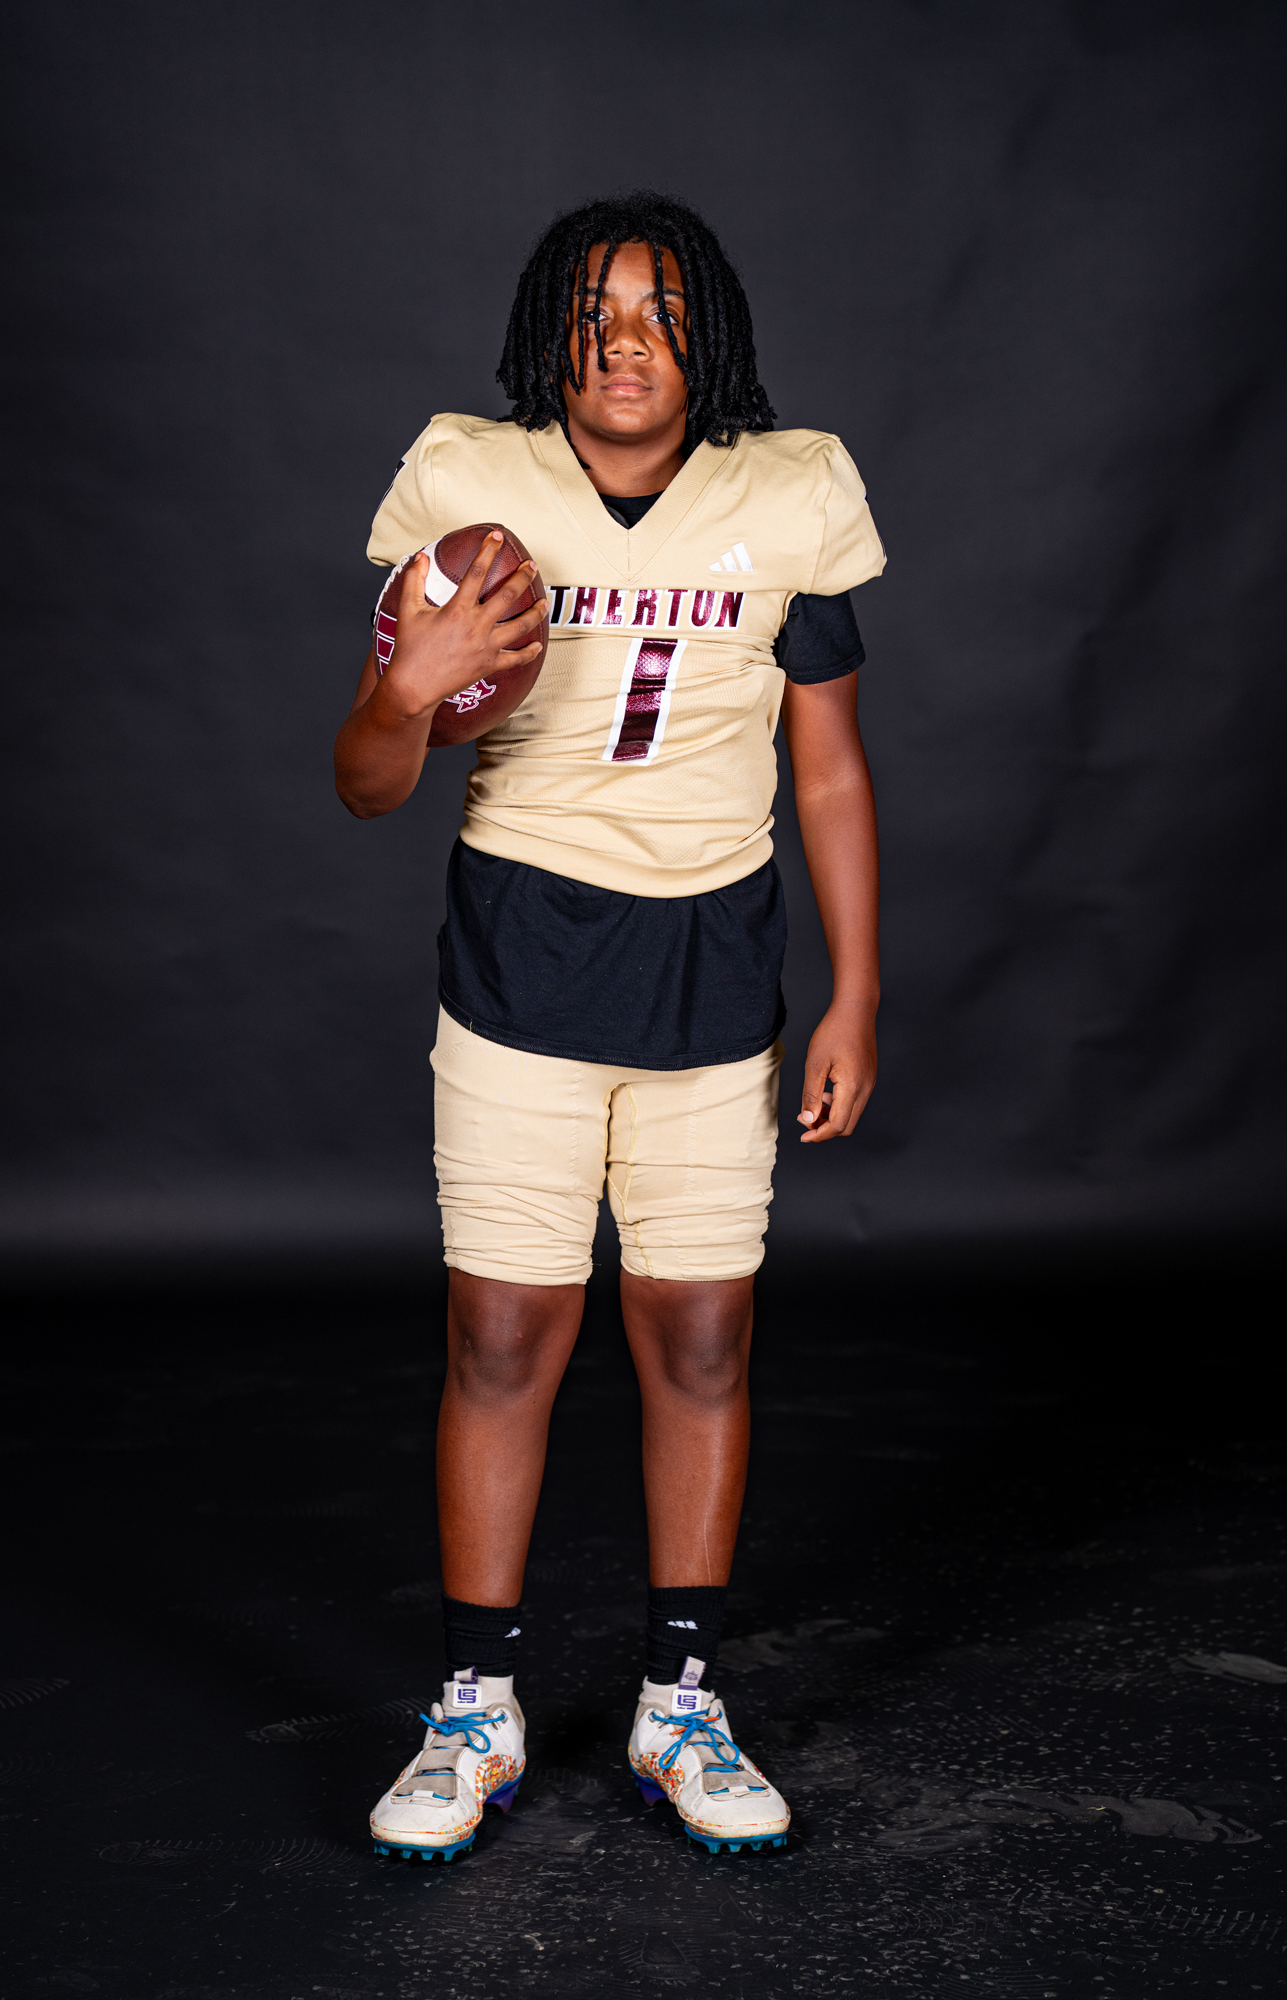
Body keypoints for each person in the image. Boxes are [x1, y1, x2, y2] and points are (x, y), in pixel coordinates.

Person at [333, 190, 884, 1861]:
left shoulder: (793, 487)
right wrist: (403, 690)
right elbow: (366, 783)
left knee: (701, 1341)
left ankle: (680, 1699)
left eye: (658, 312)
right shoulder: (467, 485)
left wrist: (858, 988)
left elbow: (829, 767)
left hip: (716, 971)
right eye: (590, 314)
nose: (624, 343)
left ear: (707, 334)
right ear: (544, 338)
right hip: (522, 962)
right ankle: (474, 1705)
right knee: (501, 1340)